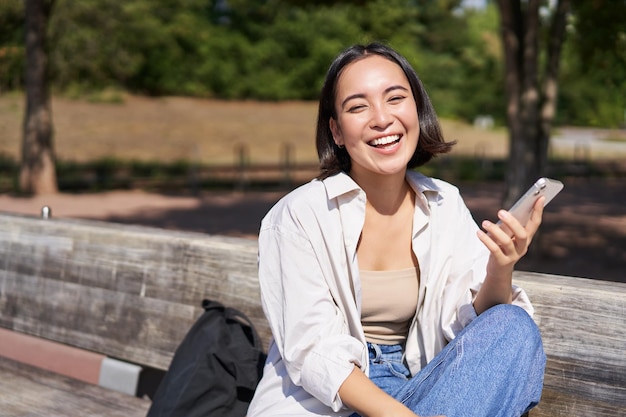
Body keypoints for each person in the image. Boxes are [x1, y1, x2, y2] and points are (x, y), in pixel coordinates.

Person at [247, 42, 546, 417]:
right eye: (358, 106)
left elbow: (472, 324)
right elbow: (314, 351)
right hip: (332, 403)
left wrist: (501, 266)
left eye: (395, 98)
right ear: (337, 131)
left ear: (416, 110)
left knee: (512, 326)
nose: (381, 118)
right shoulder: (297, 216)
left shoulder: (444, 203)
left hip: (421, 387)